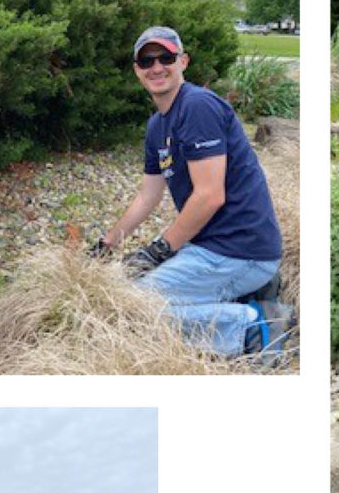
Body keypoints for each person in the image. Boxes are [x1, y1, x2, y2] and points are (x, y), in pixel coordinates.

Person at [95, 26, 291, 358]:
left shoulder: (197, 106)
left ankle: (255, 324)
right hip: (208, 248)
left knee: (132, 308)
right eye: (147, 61)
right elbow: (148, 195)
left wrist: (160, 249)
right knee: (121, 289)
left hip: (241, 250)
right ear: (137, 70)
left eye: (166, 58)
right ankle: (237, 297)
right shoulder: (157, 125)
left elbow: (209, 195)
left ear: (183, 61)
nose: (156, 67)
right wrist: (108, 243)